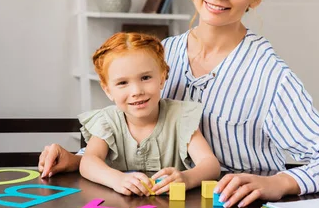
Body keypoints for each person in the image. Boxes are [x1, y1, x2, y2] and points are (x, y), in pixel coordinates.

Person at [38, 0, 319, 208]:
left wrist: (279, 183)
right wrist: (77, 159)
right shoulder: (160, 56)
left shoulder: (270, 76)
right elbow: (129, 133)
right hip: (164, 207)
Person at [79, 32, 221, 196]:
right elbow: (88, 162)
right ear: (108, 90)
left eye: (145, 77)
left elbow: (210, 164)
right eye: (122, 83)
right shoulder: (107, 122)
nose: (137, 91)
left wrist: (186, 178)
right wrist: (116, 179)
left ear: (161, 78)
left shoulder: (181, 117)